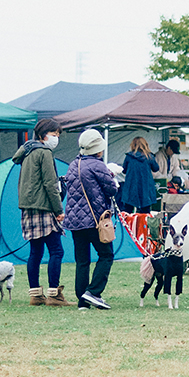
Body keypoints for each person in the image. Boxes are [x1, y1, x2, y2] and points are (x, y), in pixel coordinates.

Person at [62, 129, 118, 309]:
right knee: (106, 255)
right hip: (94, 219)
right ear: (98, 149)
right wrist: (112, 177)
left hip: (75, 221)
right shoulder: (98, 165)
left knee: (82, 260)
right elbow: (111, 190)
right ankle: (93, 292)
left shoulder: (73, 164)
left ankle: (82, 301)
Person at [14, 118, 67, 305]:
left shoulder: (28, 152)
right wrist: (58, 209)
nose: (56, 138)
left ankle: (35, 295)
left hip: (28, 207)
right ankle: (54, 294)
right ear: (44, 134)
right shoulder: (44, 152)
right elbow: (51, 184)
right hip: (44, 207)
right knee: (56, 250)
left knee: (35, 252)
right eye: (54, 135)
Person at [117, 136, 158, 214]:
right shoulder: (149, 157)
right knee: (145, 213)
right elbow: (156, 168)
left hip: (131, 187)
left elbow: (124, 171)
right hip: (146, 188)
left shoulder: (129, 157)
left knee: (127, 212)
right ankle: (143, 226)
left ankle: (127, 226)